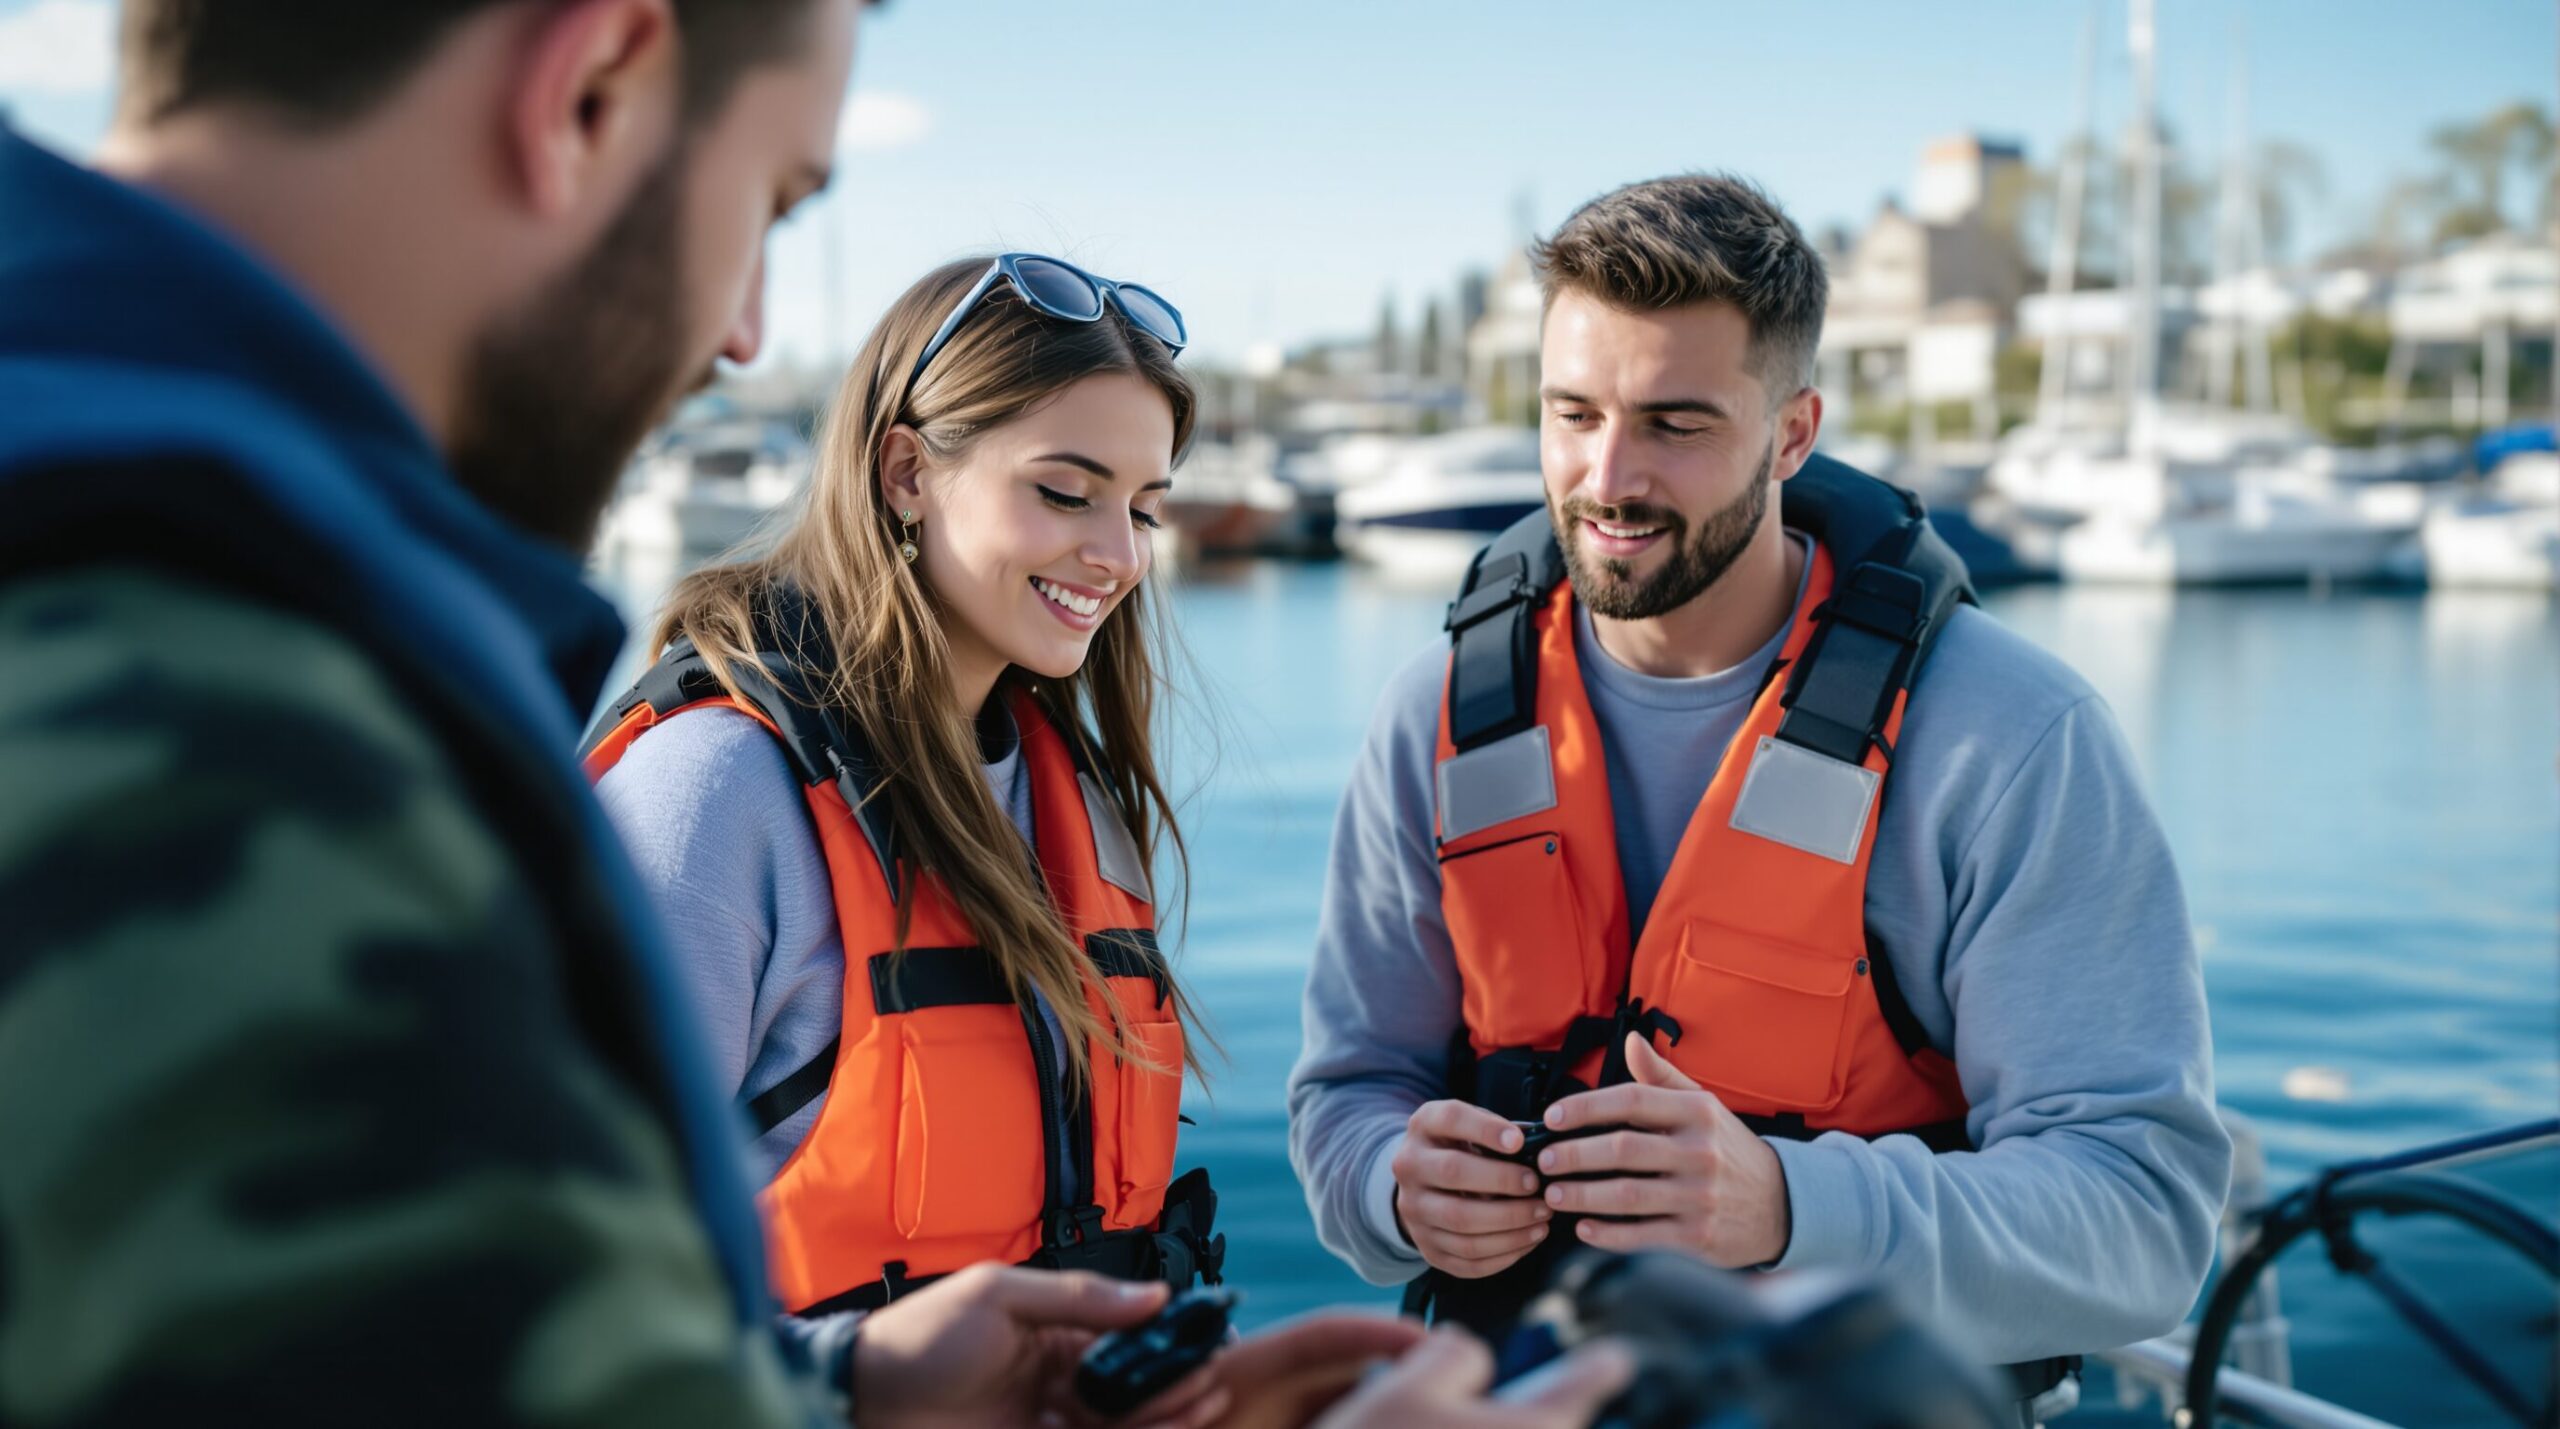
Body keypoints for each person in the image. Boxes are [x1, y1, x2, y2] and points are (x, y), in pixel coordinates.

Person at [0, 2, 1630, 1423]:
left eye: (1142, 505)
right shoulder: (616, 783)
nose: (744, 334)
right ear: (593, 81)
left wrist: (858, 1388)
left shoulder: (1066, 790)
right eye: (773, 200)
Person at [1287, 173, 2233, 1403]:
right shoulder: (1435, 717)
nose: (1607, 476)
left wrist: (1788, 1205)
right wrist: (1391, 1186)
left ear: (1792, 434)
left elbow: (2144, 1219)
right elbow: (1349, 1096)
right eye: (1573, 414)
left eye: (1674, 424)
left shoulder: (2010, 737)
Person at [586, 253, 1224, 1318]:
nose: (1118, 555)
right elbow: (558, 1289)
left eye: (1145, 510)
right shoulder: (713, 793)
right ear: (905, 474)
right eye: (1065, 493)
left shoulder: (1062, 790)